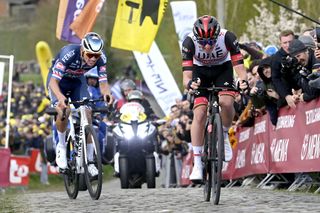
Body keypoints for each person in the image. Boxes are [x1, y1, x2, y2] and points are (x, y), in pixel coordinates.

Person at [181, 15, 248, 181]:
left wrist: (243, 81)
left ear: (217, 35)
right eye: (203, 42)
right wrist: (190, 85)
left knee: (226, 102)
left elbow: (240, 68)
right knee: (200, 113)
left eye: (211, 41)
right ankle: (197, 163)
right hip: (200, 71)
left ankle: (224, 134)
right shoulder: (189, 42)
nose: (207, 46)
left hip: (222, 69)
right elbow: (186, 76)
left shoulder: (228, 37)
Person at [47, 32, 113, 177]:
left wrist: (107, 94)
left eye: (96, 56)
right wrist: (60, 97)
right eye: (90, 55)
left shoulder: (101, 59)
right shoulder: (69, 53)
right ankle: (62, 148)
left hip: (78, 82)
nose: (93, 59)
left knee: (87, 112)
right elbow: (53, 81)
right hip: (58, 82)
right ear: (82, 50)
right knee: (65, 110)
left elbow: (103, 82)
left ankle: (90, 161)